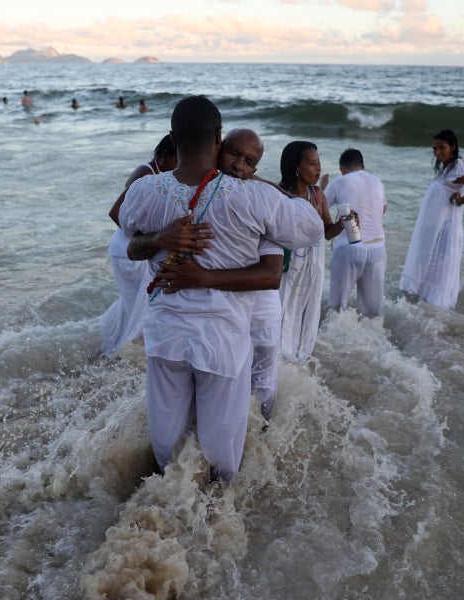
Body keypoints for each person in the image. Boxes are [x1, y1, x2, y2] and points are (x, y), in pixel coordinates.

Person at [117, 96, 323, 482]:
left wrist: (161, 238)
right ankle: (215, 515)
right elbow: (311, 227)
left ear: (174, 138)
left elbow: (128, 236)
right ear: (218, 137)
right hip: (222, 338)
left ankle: (165, 500)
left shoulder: (145, 191)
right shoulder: (252, 196)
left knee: (167, 443)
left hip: (165, 333)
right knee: (222, 452)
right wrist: (257, 182)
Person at [135, 128, 283, 420]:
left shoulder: (258, 198)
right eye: (234, 154)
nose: (239, 165)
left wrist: (202, 278)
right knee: (212, 400)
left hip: (260, 307)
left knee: (262, 382)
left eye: (250, 162)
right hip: (217, 323)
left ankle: (263, 439)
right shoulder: (188, 192)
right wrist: (160, 240)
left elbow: (272, 275)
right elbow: (131, 238)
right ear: (217, 149)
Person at [101, 134, 178, 357]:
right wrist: (150, 237)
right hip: (127, 252)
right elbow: (116, 212)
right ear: (163, 157)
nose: (178, 167)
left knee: (134, 306)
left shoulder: (153, 172)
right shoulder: (147, 173)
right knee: (142, 306)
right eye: (176, 161)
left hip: (127, 249)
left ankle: (121, 346)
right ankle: (126, 351)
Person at [399, 130, 464, 309]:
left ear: (453, 147)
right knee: (430, 260)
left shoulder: (458, 168)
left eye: (442, 148)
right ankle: (425, 300)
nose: (437, 152)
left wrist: (461, 200)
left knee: (441, 263)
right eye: (434, 148)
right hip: (435, 227)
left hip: (446, 228)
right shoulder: (447, 167)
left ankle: (438, 304)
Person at [277, 141, 345, 362]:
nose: (318, 169)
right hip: (288, 264)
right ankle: (278, 357)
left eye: (319, 163)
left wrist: (343, 224)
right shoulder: (282, 194)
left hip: (313, 263)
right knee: (283, 306)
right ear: (296, 167)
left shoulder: (317, 195)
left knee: (308, 307)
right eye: (312, 164)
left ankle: (299, 357)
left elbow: (327, 232)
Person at [324, 148, 388, 317]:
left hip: (349, 247)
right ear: (363, 167)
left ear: (342, 169)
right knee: (373, 313)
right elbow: (383, 209)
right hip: (377, 249)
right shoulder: (378, 181)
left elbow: (318, 209)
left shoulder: (340, 181)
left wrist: (321, 187)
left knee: (337, 309)